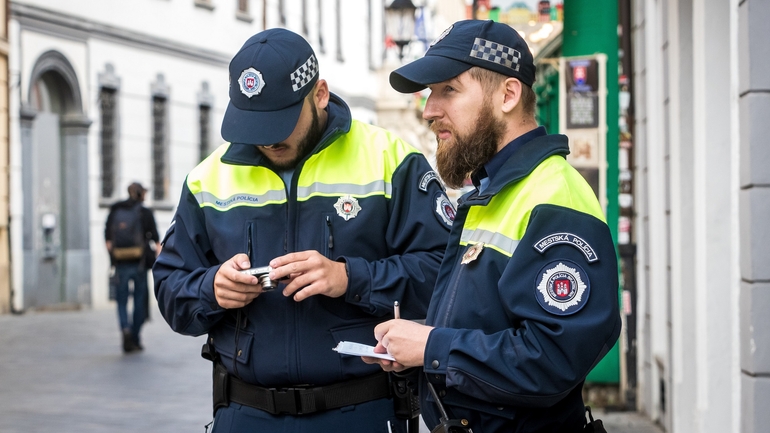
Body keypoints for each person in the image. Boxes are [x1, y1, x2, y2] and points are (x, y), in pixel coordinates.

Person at [152, 28, 452, 432]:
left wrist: (350, 278)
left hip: (360, 411)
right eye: (255, 125)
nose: (269, 140)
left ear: (320, 94)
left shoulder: (390, 160)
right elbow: (171, 288)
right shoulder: (208, 177)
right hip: (245, 413)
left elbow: (444, 277)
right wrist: (212, 289)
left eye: (281, 121)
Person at [365, 20, 621, 433]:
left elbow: (552, 359)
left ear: (508, 94)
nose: (429, 109)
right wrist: (418, 346)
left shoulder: (553, 196)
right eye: (431, 93)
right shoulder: (492, 191)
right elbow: (487, 325)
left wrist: (433, 347)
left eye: (448, 89)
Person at [105, 182, 161, 353]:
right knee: (139, 300)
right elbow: (157, 242)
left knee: (121, 300)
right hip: (140, 264)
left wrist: (114, 258)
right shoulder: (145, 212)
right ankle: (135, 338)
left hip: (121, 263)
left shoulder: (115, 210)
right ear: (141, 194)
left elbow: (108, 242)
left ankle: (125, 329)